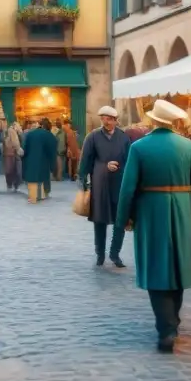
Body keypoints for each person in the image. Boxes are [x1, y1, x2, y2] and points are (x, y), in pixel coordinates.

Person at [115, 99, 191, 353]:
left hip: (150, 211)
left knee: (156, 266)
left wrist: (124, 217)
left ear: (153, 120)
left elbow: (128, 188)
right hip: (181, 209)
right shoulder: (188, 146)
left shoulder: (139, 147)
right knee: (178, 265)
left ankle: (166, 328)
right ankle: (172, 322)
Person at [80, 106, 131, 268]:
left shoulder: (124, 138)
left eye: (109, 118)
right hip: (100, 185)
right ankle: (100, 254)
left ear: (116, 120)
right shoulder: (93, 137)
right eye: (103, 118)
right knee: (99, 220)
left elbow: (131, 162)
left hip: (119, 184)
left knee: (120, 220)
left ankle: (115, 254)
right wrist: (84, 180)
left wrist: (122, 171)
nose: (106, 121)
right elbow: (86, 161)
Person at [21, 117, 57, 203]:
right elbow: (52, 152)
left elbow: (25, 148)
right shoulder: (50, 136)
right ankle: (42, 195)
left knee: (32, 179)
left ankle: (33, 197)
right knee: (42, 178)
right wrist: (53, 166)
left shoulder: (30, 134)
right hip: (43, 162)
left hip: (30, 161)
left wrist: (24, 159)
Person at [1, 121, 23, 191]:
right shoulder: (12, 131)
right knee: (15, 169)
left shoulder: (8, 131)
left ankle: (10, 184)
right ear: (15, 126)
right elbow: (15, 142)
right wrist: (19, 150)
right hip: (13, 153)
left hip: (8, 153)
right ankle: (14, 184)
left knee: (10, 169)